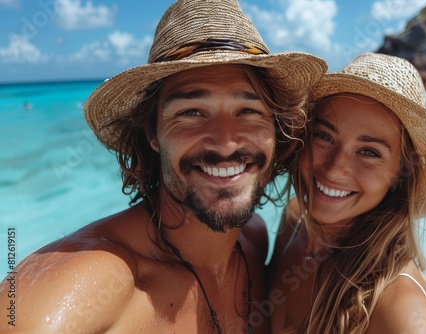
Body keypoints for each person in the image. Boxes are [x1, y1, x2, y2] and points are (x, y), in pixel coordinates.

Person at [0, 1, 327, 333]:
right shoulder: (92, 283)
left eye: (249, 111)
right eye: (191, 112)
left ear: (276, 129)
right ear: (152, 134)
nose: (226, 143)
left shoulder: (253, 240)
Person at [267, 53, 426, 333]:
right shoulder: (295, 220)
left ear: (401, 176)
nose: (335, 169)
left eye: (368, 152)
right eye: (324, 136)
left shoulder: (401, 309)